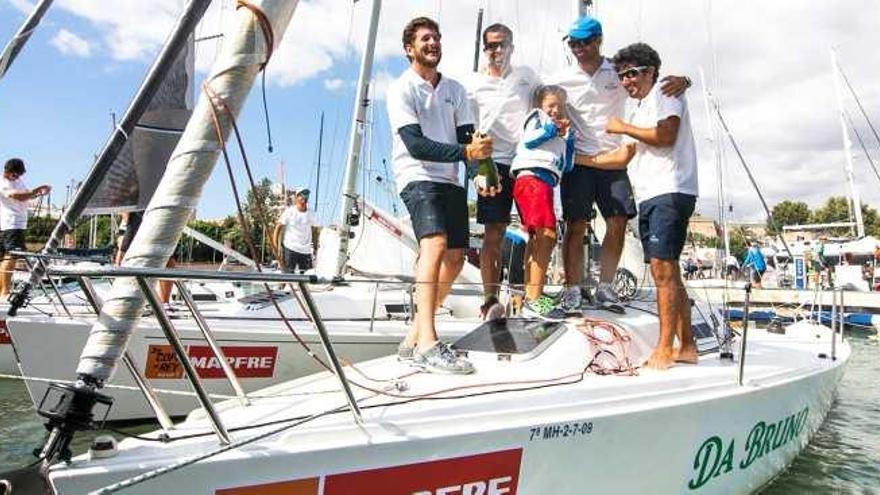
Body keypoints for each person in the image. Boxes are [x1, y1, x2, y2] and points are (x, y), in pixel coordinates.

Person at [547, 15, 690, 313]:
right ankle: (572, 289)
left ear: (599, 40)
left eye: (585, 42)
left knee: (617, 223)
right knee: (575, 224)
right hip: (579, 161)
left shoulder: (619, 70)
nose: (579, 48)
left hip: (614, 159)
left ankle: (606, 288)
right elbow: (540, 101)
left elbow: (648, 83)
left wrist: (686, 80)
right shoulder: (561, 78)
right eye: (573, 43)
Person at [386, 17, 492, 374]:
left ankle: (414, 334)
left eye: (436, 38)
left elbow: (469, 141)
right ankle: (429, 344)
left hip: (450, 181)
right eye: (425, 38)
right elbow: (415, 145)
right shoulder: (401, 89)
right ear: (409, 48)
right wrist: (466, 156)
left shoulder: (456, 91)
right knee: (434, 244)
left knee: (457, 257)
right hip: (416, 175)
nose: (433, 43)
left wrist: (478, 174)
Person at [603, 42, 699, 370]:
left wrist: (622, 127)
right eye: (621, 76)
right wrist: (577, 161)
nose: (626, 81)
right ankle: (687, 346)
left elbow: (667, 134)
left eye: (631, 74)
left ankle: (664, 349)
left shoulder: (664, 90)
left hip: (670, 190)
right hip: (650, 195)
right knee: (668, 270)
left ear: (651, 71)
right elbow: (623, 156)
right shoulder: (639, 107)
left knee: (661, 269)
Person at [464, 23, 541, 320]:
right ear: (485, 50)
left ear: (512, 46)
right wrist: (475, 172)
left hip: (525, 162)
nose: (497, 50)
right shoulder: (473, 84)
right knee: (493, 233)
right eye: (491, 45)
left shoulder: (527, 76)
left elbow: (551, 94)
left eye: (502, 44)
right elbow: (467, 131)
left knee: (535, 229)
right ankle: (490, 299)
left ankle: (528, 296)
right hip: (492, 164)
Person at [510, 85, 574, 320]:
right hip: (531, 179)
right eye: (551, 105)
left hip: (546, 183)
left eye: (560, 106)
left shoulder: (560, 132)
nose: (555, 110)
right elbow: (529, 141)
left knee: (537, 238)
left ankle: (531, 294)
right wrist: (551, 128)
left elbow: (567, 165)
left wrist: (567, 138)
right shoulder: (537, 119)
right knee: (547, 235)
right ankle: (534, 300)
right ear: (540, 106)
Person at [0, 158, 50, 297]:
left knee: (9, 257)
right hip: (11, 224)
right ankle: (4, 292)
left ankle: (2, 291)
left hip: (17, 224)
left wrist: (39, 193)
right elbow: (17, 196)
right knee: (10, 256)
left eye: (19, 175)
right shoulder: (3, 182)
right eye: (16, 174)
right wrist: (36, 190)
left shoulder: (17, 181)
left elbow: (26, 195)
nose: (18, 177)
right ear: (8, 171)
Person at [116, 210, 176, 305]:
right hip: (137, 212)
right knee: (125, 251)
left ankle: (164, 302)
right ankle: (119, 295)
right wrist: (126, 214)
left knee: (166, 252)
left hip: (157, 211)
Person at [273, 188, 318, 274]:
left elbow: (315, 230)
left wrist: (315, 246)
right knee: (288, 276)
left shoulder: (311, 213)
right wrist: (275, 247)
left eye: (307, 194)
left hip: (306, 250)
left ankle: (302, 287)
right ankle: (285, 286)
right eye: (303, 194)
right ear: (297, 197)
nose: (305, 197)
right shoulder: (289, 211)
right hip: (290, 248)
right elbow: (278, 228)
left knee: (308, 277)